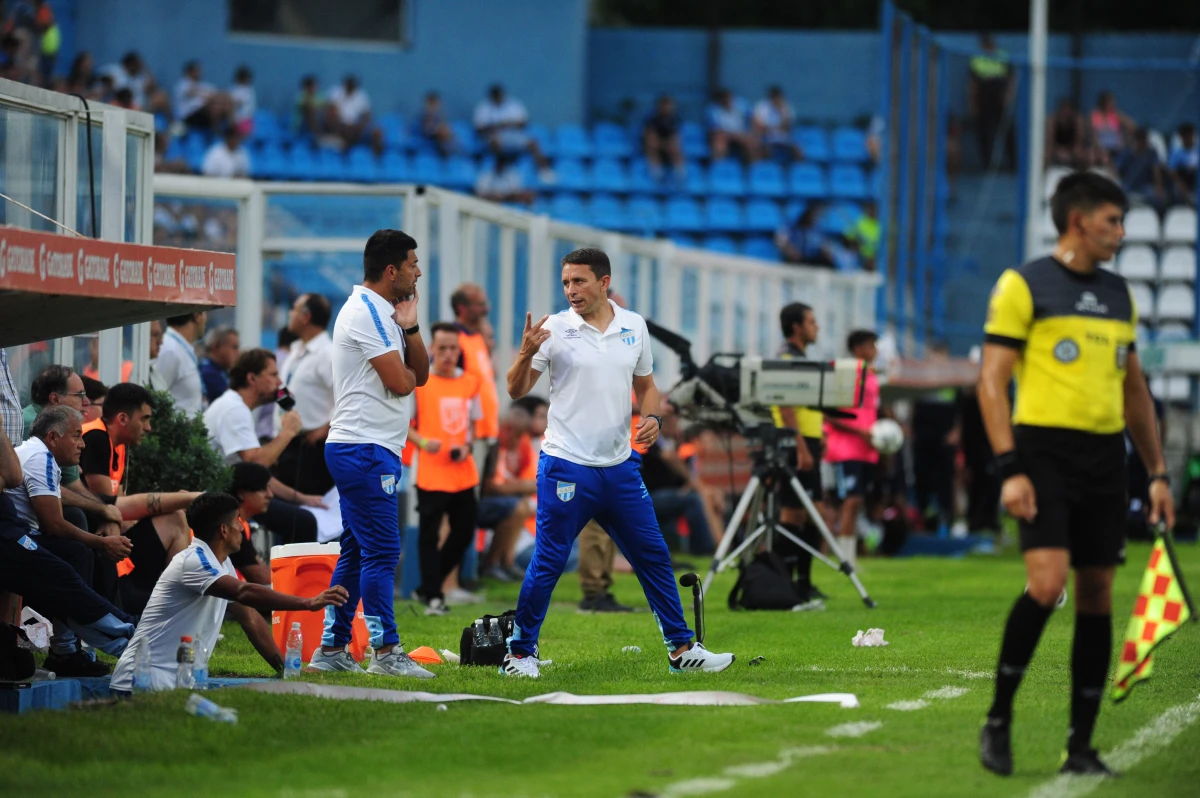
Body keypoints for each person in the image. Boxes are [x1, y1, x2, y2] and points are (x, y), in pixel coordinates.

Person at [977, 171, 1173, 778]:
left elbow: (1133, 389)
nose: (1120, 233)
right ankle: (999, 720)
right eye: (1112, 221)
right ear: (1078, 220)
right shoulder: (1024, 284)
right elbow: (990, 381)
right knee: (1046, 584)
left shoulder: (1120, 294)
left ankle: (1081, 747)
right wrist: (1010, 468)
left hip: (1103, 460)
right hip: (1042, 456)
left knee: (1096, 595)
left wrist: (1158, 473)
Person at [503, 247, 735, 678]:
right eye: (566, 282)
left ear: (603, 282)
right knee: (550, 560)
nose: (571, 290)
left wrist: (653, 417)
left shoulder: (634, 326)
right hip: (566, 464)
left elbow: (647, 386)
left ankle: (682, 649)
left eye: (580, 281)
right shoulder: (553, 328)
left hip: (620, 466)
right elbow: (516, 390)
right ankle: (519, 655)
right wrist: (523, 354)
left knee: (654, 555)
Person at [311, 229, 433, 678]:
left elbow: (420, 376)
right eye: (413, 264)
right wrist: (404, 344)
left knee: (358, 551)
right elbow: (400, 383)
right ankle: (386, 652)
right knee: (383, 551)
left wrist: (413, 327)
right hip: (362, 448)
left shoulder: (387, 313)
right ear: (391, 270)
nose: (418, 271)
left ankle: (331, 648)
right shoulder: (364, 313)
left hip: (370, 447)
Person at [109, 492, 349, 693]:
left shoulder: (220, 563)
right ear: (224, 530)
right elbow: (244, 592)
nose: (242, 529)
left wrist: (287, 670)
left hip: (172, 683)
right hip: (139, 680)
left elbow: (250, 617)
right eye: (238, 521)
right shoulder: (194, 561)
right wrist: (308, 603)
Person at [5, 406, 134, 675]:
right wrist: (101, 543)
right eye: (76, 435)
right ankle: (129, 634)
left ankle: (68, 650)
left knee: (76, 554)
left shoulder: (38, 454)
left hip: (18, 537)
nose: (82, 444)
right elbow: (53, 525)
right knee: (69, 567)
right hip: (12, 541)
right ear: (53, 437)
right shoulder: (40, 456)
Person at [79, 383, 198, 613]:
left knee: (176, 517)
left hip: (112, 534)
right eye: (144, 419)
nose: (149, 427)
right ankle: (169, 608)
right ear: (123, 418)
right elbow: (110, 507)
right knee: (174, 519)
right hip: (97, 540)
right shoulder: (96, 438)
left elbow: (119, 508)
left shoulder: (118, 445)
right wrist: (182, 499)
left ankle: (171, 605)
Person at [202, 348, 324, 544]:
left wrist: (302, 498)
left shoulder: (235, 406)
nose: (279, 383)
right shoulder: (234, 409)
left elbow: (256, 475)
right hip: (222, 497)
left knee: (299, 514)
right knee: (304, 523)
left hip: (233, 491)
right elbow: (257, 463)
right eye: (274, 375)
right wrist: (288, 432)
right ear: (252, 378)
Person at [408, 323, 482, 615]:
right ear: (432, 351)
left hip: (462, 469)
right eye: (442, 348)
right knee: (428, 534)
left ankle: (428, 586)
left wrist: (467, 446)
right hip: (429, 470)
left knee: (464, 530)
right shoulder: (419, 383)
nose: (448, 354)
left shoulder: (470, 382)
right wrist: (424, 442)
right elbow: (406, 425)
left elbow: (473, 425)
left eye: (453, 348)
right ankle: (434, 595)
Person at [770, 303, 828, 608]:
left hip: (809, 441)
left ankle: (802, 582)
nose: (816, 327)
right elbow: (785, 405)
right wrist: (802, 446)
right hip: (796, 445)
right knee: (794, 514)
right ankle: (785, 581)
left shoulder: (802, 358)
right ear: (796, 327)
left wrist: (821, 435)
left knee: (812, 514)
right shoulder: (786, 358)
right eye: (811, 321)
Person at [823, 330, 881, 568]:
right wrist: (860, 432)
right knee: (850, 500)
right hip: (845, 448)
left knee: (857, 502)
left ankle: (850, 553)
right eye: (871, 346)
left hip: (867, 449)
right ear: (858, 349)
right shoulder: (845, 374)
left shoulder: (872, 377)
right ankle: (845, 557)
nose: (875, 351)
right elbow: (829, 413)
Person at [275, 293, 337, 497]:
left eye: (294, 309)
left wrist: (326, 428)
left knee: (309, 514)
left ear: (306, 316)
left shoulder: (328, 354)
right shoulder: (296, 350)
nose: (290, 314)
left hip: (312, 448)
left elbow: (349, 396)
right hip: (288, 443)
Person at [968, 34, 1013, 170]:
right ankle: (987, 164)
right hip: (984, 98)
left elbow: (1011, 79)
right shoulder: (977, 59)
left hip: (999, 97)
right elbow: (973, 84)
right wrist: (973, 104)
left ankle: (1013, 163)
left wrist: (1008, 96)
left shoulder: (1002, 56)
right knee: (984, 132)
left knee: (1006, 130)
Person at [227, 462, 272, 585]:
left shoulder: (242, 523)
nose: (270, 495)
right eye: (263, 489)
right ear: (241, 493)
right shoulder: (231, 525)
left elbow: (258, 566)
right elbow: (259, 577)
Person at [157, 312, 207, 414]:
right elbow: (156, 398)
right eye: (205, 312)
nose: (206, 318)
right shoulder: (170, 350)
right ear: (197, 316)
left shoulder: (179, 347)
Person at [642, 94, 685, 182]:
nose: (667, 108)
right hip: (656, 146)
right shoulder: (652, 119)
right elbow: (650, 137)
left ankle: (680, 176)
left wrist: (669, 145)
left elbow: (676, 137)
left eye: (669, 105)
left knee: (676, 149)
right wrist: (662, 145)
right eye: (664, 105)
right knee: (652, 147)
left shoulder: (675, 119)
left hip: (668, 146)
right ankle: (656, 175)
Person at [199, 326, 240, 406]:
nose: (238, 352)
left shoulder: (220, 370)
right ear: (216, 347)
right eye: (234, 347)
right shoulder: (209, 374)